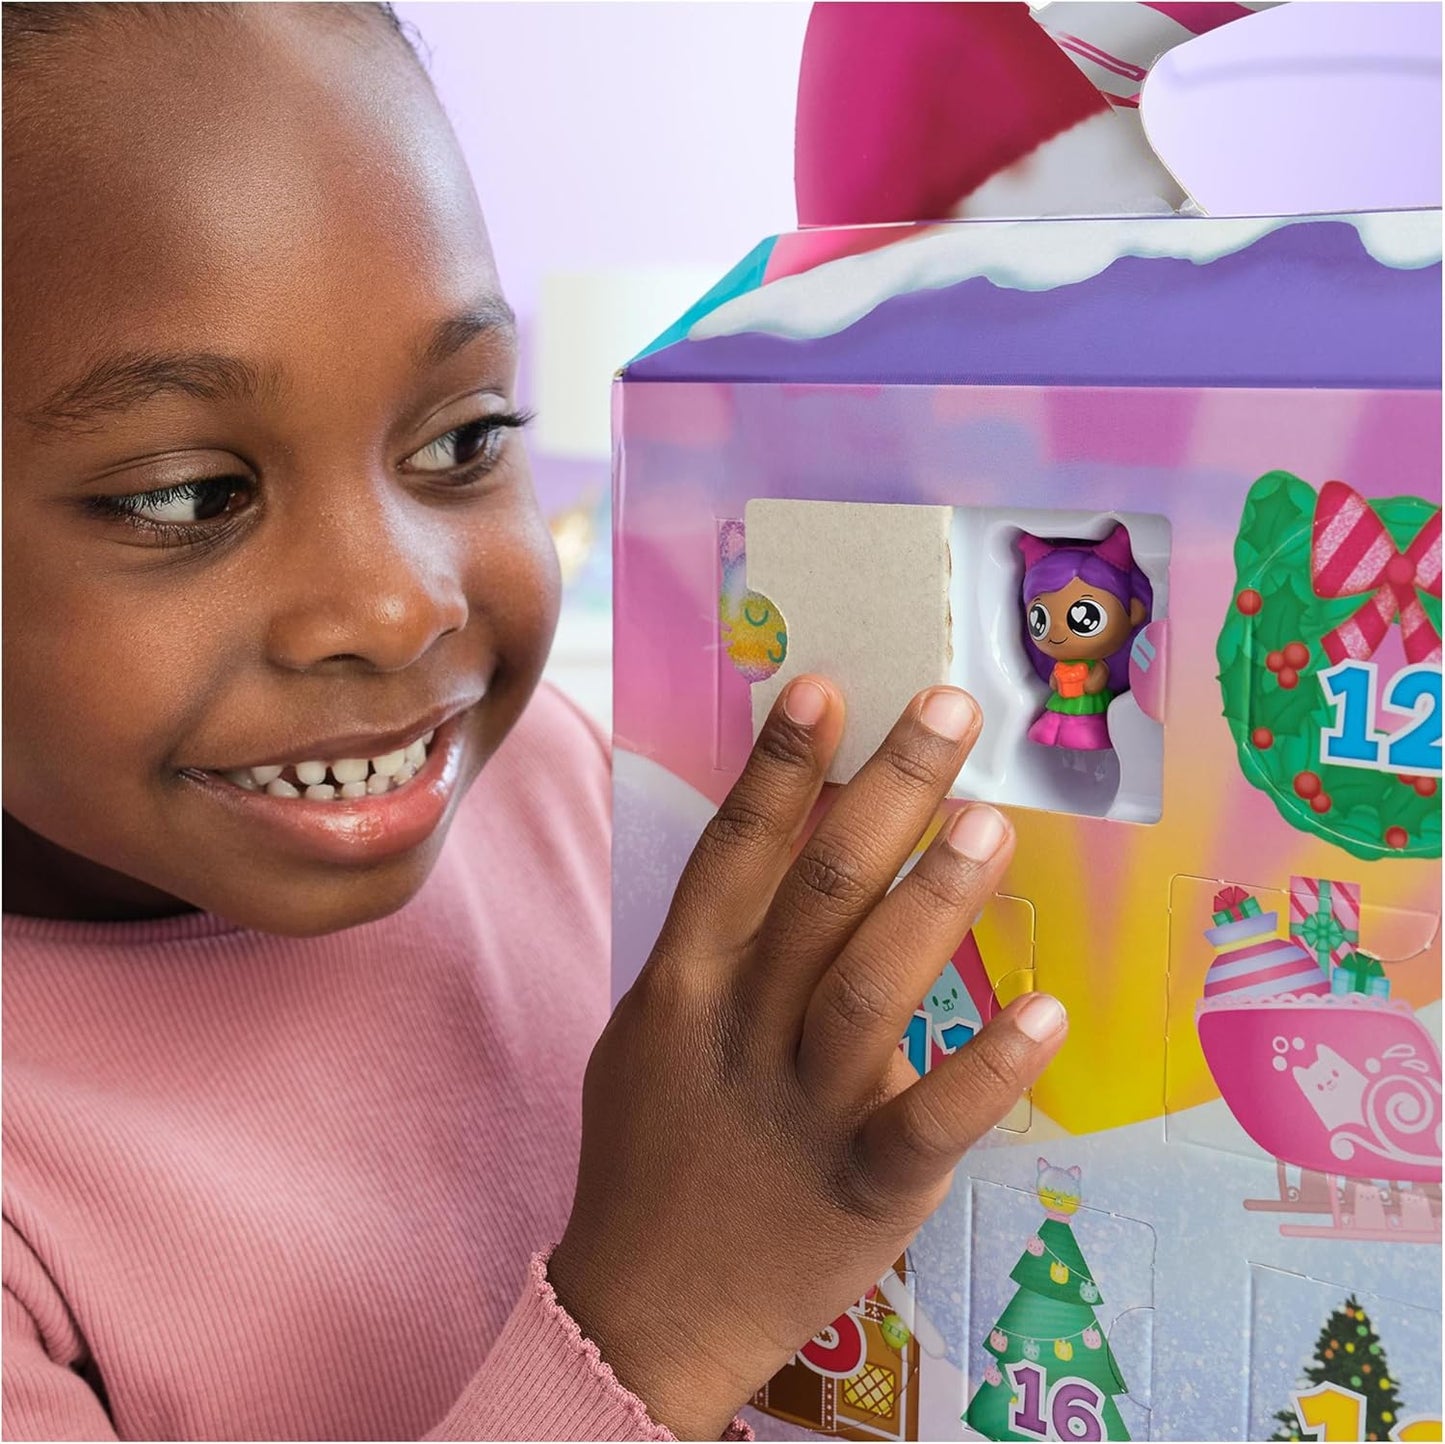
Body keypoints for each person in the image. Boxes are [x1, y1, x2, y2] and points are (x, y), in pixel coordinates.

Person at [1, 5, 1068, 1439]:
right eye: (190, 496)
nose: (397, 609)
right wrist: (654, 1325)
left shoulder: (546, 790)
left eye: (459, 439)